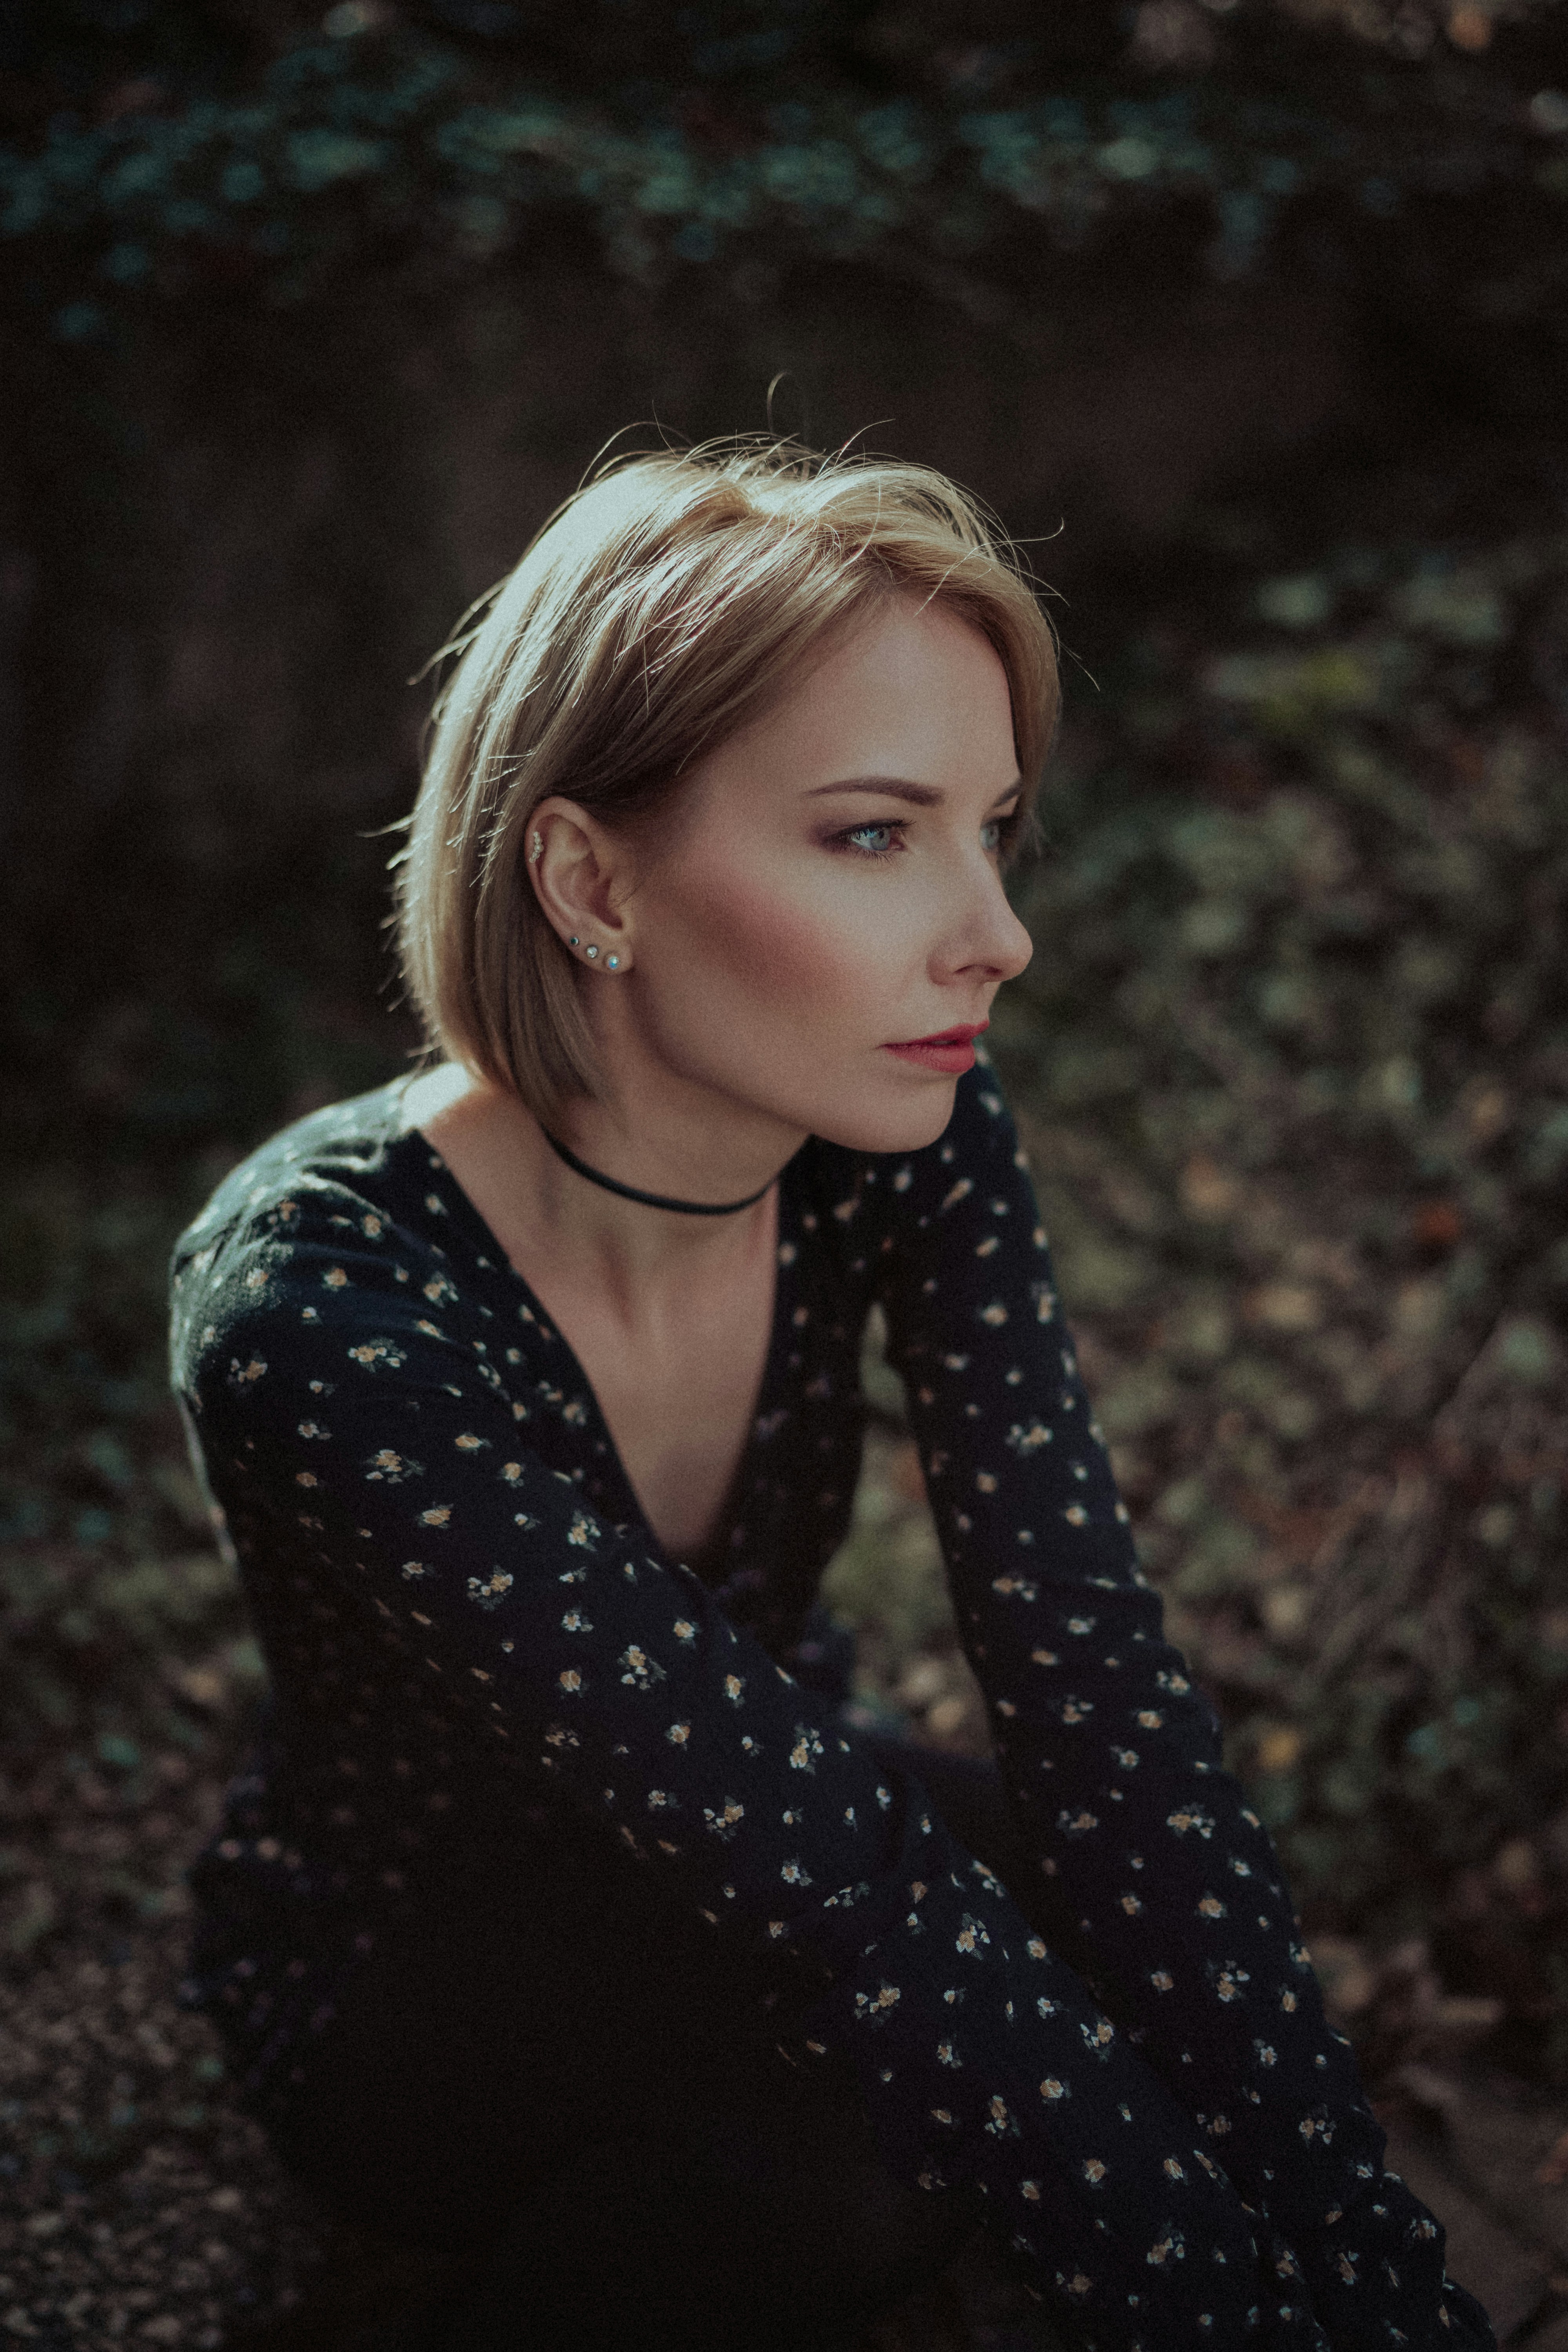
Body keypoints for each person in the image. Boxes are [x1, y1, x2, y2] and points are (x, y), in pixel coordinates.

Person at [169, 440, 1493, 2352]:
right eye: (875, 834)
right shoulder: (325, 1314)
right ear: (583, 873)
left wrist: (1375, 2275)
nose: (997, 935)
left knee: (1163, 1919)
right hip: (425, 1961)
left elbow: (1089, 1681)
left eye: (992, 826)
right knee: (850, 2175)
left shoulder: (894, 1129)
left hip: (782, 1808)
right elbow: (861, 1905)